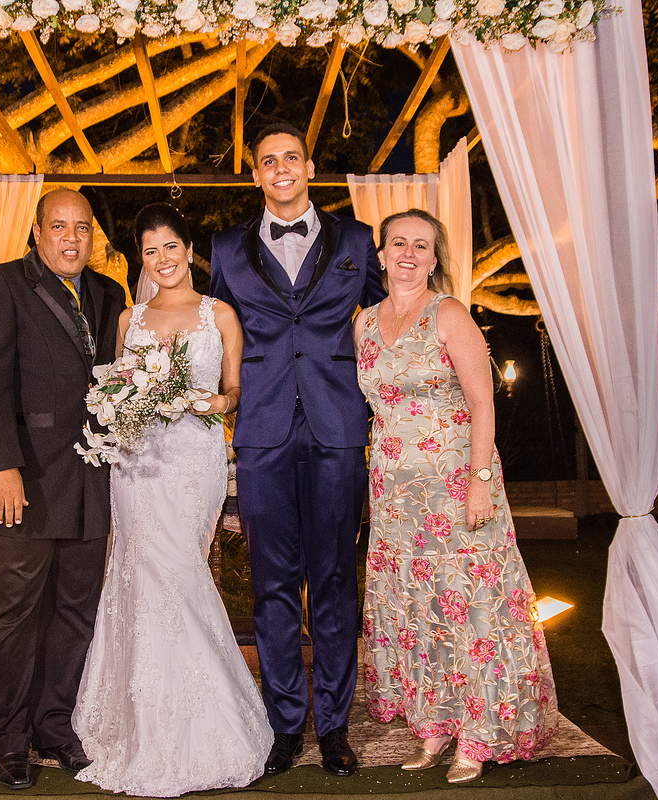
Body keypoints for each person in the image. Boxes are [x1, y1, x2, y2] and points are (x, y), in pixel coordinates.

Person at [72, 203, 273, 797]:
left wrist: (216, 403)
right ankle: (141, 721)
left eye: (171, 247)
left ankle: (209, 719)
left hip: (192, 460)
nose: (162, 259)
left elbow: (234, 389)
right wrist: (121, 405)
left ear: (188, 250)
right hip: (137, 463)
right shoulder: (129, 319)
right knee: (139, 574)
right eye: (150, 251)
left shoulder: (219, 314)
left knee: (181, 571)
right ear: (142, 259)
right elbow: (115, 386)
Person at [353, 208, 559, 784]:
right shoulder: (363, 324)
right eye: (398, 243)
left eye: (421, 245)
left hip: (454, 486)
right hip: (394, 495)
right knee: (419, 609)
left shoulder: (449, 314)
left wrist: (480, 482)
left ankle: (478, 733)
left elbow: (483, 404)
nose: (408, 253)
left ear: (434, 258)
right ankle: (435, 725)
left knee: (470, 607)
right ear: (381, 254)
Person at [209, 123, 385, 777]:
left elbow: (386, 319)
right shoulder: (226, 248)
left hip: (338, 427)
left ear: (309, 167)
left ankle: (334, 726)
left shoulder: (357, 240)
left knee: (335, 582)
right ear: (255, 173)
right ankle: (285, 724)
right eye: (267, 160)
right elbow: (215, 332)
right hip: (261, 432)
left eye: (291, 157)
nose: (280, 167)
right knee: (273, 585)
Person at [0, 188, 127, 790]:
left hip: (91, 479)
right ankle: (5, 737)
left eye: (82, 228)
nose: (71, 239)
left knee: (75, 611)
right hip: (23, 479)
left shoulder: (110, 294)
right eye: (59, 227)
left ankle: (53, 724)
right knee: (12, 612)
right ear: (36, 232)